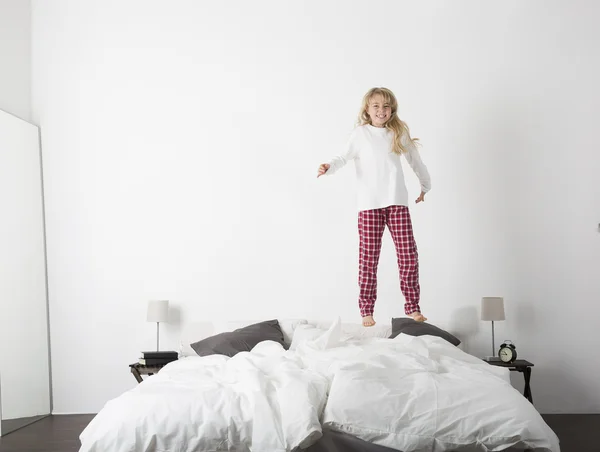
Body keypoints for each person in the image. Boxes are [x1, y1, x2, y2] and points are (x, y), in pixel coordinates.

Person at [317, 87, 431, 327]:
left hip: (397, 201)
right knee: (369, 259)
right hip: (369, 205)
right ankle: (366, 310)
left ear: (392, 110)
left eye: (386, 106)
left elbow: (415, 160)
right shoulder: (360, 134)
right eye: (376, 106)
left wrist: (425, 186)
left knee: (408, 255)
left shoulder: (398, 132)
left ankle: (413, 307)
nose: (381, 110)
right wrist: (329, 167)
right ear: (367, 110)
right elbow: (342, 157)